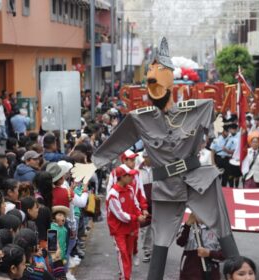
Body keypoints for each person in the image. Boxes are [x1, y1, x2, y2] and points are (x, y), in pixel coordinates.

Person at [72, 38, 240, 280]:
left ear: (170, 78)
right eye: (150, 76)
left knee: (224, 231)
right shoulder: (139, 118)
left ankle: (241, 274)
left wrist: (223, 123)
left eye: (159, 73)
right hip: (167, 186)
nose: (153, 81)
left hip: (198, 179)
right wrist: (92, 165)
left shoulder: (198, 107)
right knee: (160, 242)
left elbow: (221, 119)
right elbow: (116, 142)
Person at [106, 166, 145, 280]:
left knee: (128, 253)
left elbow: (136, 205)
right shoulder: (113, 194)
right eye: (130, 176)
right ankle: (125, 277)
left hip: (130, 227)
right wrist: (136, 218)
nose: (133, 178)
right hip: (118, 229)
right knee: (122, 253)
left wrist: (139, 214)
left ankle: (126, 276)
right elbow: (120, 215)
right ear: (122, 177)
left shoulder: (130, 189)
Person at [176, 213, 224, 280]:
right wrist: (187, 224)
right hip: (188, 273)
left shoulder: (218, 230)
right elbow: (179, 242)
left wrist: (209, 253)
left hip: (210, 274)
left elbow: (225, 255)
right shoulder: (187, 227)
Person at [139, 150, 153, 263]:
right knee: (144, 227)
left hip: (157, 201)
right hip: (143, 202)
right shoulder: (138, 170)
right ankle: (147, 250)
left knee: (156, 226)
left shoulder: (158, 168)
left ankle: (154, 249)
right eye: (148, 156)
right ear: (144, 157)